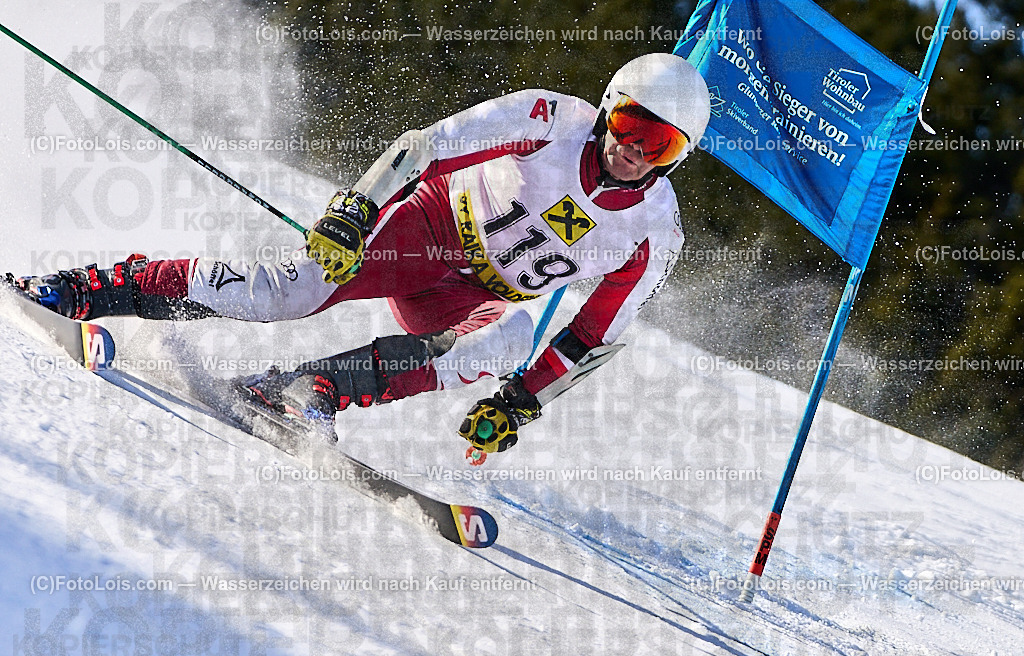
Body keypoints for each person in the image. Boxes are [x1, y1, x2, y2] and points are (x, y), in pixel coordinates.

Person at [14, 53, 710, 455]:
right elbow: (427, 143)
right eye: (629, 126)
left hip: (467, 295)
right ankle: (80, 288)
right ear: (609, 107)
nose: (632, 151)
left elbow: (594, 336)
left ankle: (306, 388)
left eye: (661, 146)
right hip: (427, 226)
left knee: (510, 337)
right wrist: (358, 209)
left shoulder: (652, 233)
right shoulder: (551, 119)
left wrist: (521, 402)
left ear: (678, 158)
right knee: (287, 292)